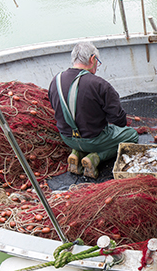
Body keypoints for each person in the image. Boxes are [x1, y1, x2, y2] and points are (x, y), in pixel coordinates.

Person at [48, 42, 138, 178]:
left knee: (80, 137)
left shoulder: (55, 80)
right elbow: (119, 121)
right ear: (93, 59)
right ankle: (95, 157)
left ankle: (76, 153)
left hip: (67, 138)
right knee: (131, 135)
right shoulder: (100, 85)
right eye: (98, 62)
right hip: (95, 140)